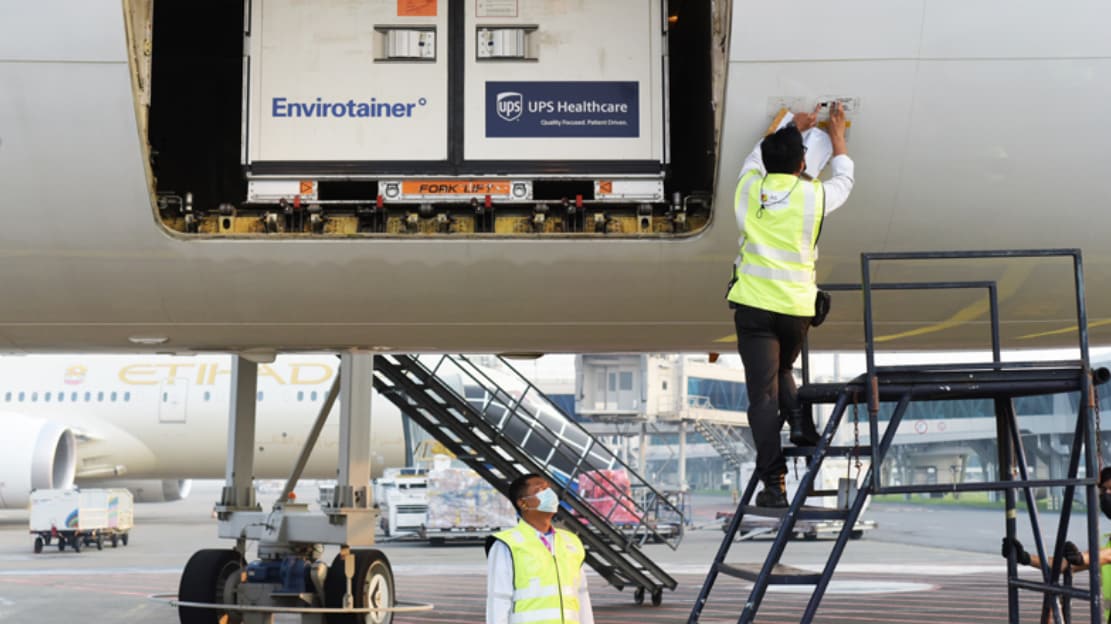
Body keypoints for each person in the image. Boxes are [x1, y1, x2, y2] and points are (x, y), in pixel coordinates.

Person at [726, 102, 854, 507]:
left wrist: (788, 125)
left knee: (762, 396)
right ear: (803, 165)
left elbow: (754, 156)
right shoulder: (813, 196)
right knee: (783, 369)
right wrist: (836, 138)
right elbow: (845, 180)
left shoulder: (748, 187)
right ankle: (800, 421)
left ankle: (774, 484)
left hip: (754, 306)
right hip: (797, 308)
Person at [1002, 466, 1111, 621]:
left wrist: (1082, 558)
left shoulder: (1102, 553)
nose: (1106, 495)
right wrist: (1025, 558)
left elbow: (1105, 557)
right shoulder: (1107, 542)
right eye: (1104, 490)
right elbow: (1063, 566)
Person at [485, 473, 594, 624]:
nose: (549, 494)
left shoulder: (571, 542)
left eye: (548, 489)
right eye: (540, 490)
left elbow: (582, 595)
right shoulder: (507, 544)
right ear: (523, 504)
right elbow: (499, 600)